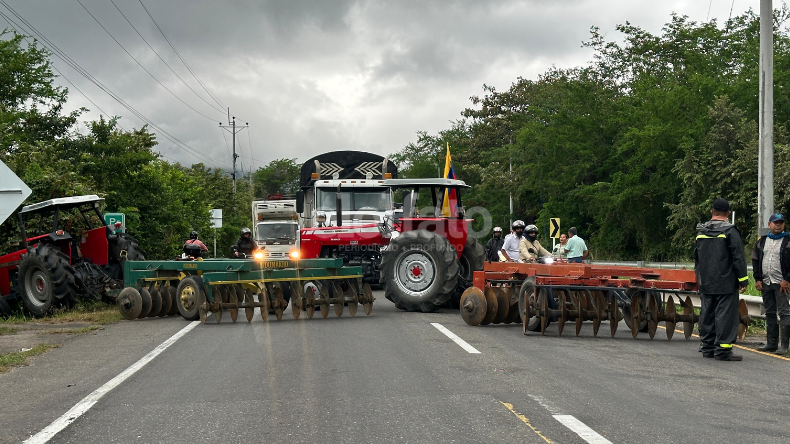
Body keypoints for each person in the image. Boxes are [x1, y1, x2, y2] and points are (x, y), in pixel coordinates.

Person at [694, 198, 749, 361]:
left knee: (707, 313)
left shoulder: (700, 232)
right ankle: (723, 350)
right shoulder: (730, 231)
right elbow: (738, 257)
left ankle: (707, 348)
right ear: (728, 213)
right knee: (725, 315)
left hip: (706, 282)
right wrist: (743, 280)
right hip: (725, 282)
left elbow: (697, 258)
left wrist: (700, 278)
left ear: (712, 212)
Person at [752, 213, 790, 354]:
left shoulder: (788, 240)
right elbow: (755, 260)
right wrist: (758, 279)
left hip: (782, 283)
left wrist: (787, 280)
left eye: (780, 222)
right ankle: (771, 344)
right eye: (775, 222)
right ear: (769, 224)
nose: (778, 225)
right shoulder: (762, 241)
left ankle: (784, 346)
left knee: (784, 313)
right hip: (766, 282)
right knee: (770, 313)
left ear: (783, 225)